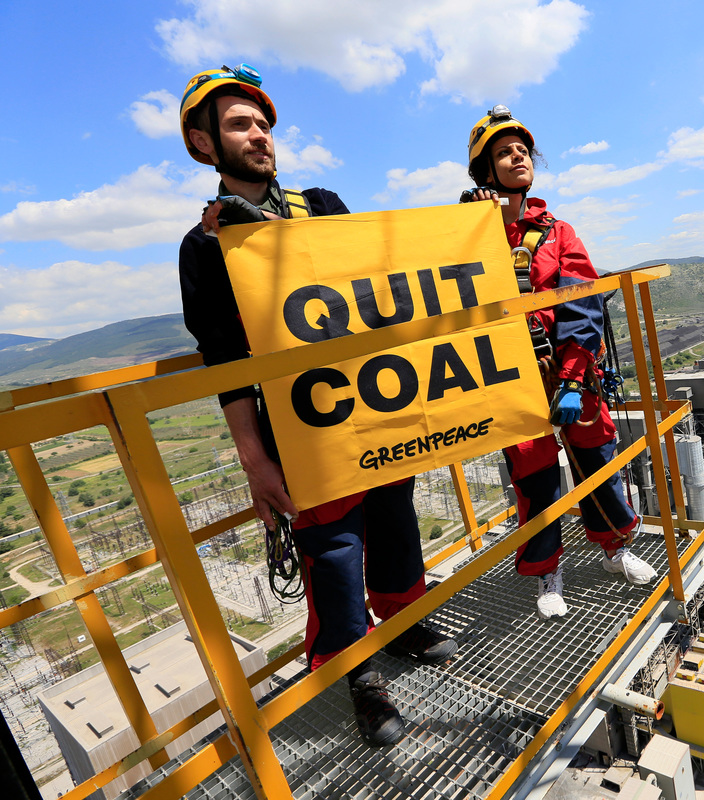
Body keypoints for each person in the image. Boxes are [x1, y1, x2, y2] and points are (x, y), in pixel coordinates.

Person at [176, 64, 456, 747]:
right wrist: (252, 458)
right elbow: (227, 361)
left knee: (394, 515)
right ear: (204, 142)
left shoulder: (322, 205)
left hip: (373, 398)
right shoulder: (203, 246)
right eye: (241, 124)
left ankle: (401, 620)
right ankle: (359, 675)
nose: (260, 136)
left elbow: (369, 282)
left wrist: (273, 236)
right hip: (300, 421)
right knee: (332, 545)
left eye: (264, 124)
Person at [461, 106, 658, 620]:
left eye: (521, 149)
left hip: (565, 370)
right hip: (507, 379)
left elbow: (582, 304)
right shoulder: (464, 236)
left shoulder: (557, 233)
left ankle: (617, 548)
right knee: (536, 480)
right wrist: (465, 226)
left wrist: (572, 378)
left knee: (597, 460)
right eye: (503, 152)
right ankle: (548, 571)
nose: (517, 155)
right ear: (484, 171)